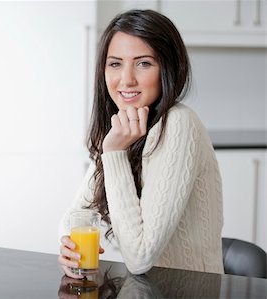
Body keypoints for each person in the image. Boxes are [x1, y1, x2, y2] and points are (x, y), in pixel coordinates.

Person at [58, 9, 224, 278]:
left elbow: (139, 258)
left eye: (143, 63)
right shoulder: (126, 126)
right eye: (115, 64)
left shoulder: (178, 123)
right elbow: (73, 218)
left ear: (168, 69)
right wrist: (68, 249)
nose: (126, 79)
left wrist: (113, 153)